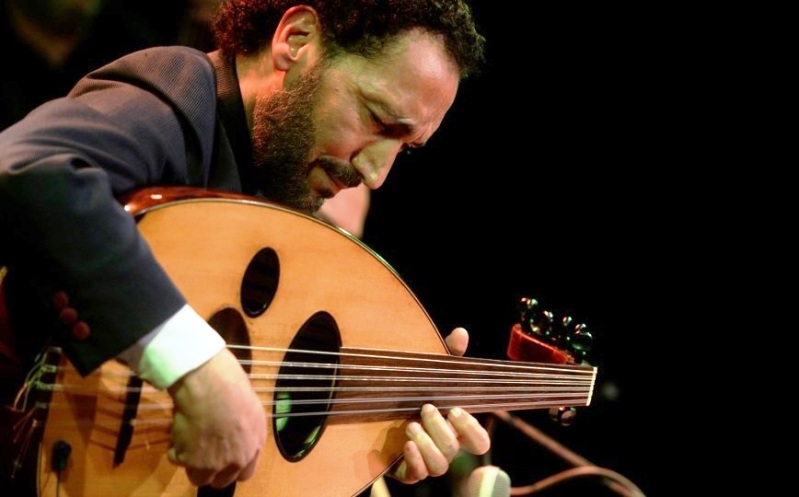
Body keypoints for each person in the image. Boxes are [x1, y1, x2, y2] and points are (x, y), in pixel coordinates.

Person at [0, 0, 488, 493]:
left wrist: (372, 436)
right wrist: (194, 365)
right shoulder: (178, 97)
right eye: (378, 119)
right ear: (295, 40)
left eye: (404, 148)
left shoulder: (273, 187)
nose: (376, 175)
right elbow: (31, 171)